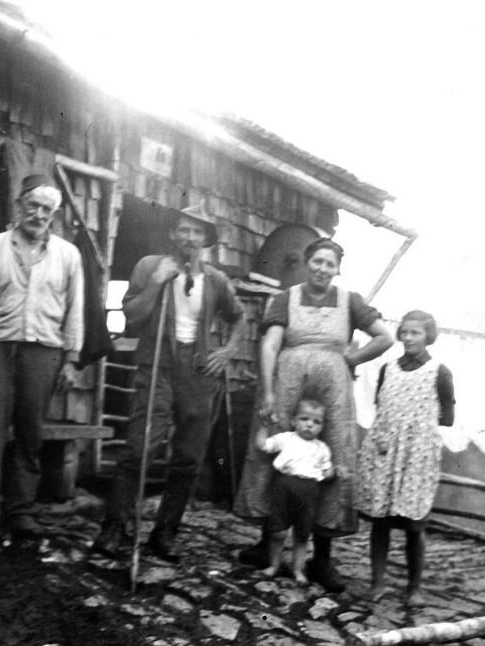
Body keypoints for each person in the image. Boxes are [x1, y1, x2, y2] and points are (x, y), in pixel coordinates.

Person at [233, 237, 394, 592]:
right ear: (307, 263)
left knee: (333, 459)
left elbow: (384, 338)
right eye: (317, 261)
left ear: (337, 269)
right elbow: (270, 344)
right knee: (273, 450)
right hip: (287, 381)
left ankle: (321, 558)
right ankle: (267, 545)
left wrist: (349, 360)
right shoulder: (285, 298)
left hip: (332, 390)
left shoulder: (350, 300)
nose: (322, 269)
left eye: (329, 264)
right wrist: (269, 391)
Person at [92, 203, 245, 561]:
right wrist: (157, 282)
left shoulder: (215, 280)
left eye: (197, 231)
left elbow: (238, 319)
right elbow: (130, 317)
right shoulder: (150, 266)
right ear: (173, 234)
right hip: (157, 364)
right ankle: (115, 528)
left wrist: (226, 352)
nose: (190, 237)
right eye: (184, 230)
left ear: (206, 239)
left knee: (188, 457)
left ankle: (165, 533)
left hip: (198, 372)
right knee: (139, 447)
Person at [0, 174, 84, 540]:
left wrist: (71, 358)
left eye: (47, 209)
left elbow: (75, 310)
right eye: (33, 206)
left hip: (44, 353)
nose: (39, 214)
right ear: (18, 206)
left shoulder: (68, 255)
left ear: (54, 215)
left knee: (31, 435)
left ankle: (20, 511)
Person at [355, 309, 455, 606]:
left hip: (416, 456)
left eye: (416, 333)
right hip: (385, 452)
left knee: (414, 525)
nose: (409, 338)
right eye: (405, 332)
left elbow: (447, 418)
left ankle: (414, 588)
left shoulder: (439, 372)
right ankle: (377, 583)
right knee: (380, 522)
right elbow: (382, 408)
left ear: (428, 336)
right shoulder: (388, 369)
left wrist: (414, 431)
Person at [255, 394, 334, 584]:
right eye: (304, 419)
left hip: (309, 491)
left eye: (316, 422)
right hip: (285, 486)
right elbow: (262, 445)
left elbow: (327, 472)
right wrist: (264, 426)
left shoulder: (322, 448)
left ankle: (298, 569)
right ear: (294, 421)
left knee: (302, 534)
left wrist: (335, 471)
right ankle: (274, 565)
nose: (309, 424)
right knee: (278, 531)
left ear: (322, 427)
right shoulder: (287, 439)